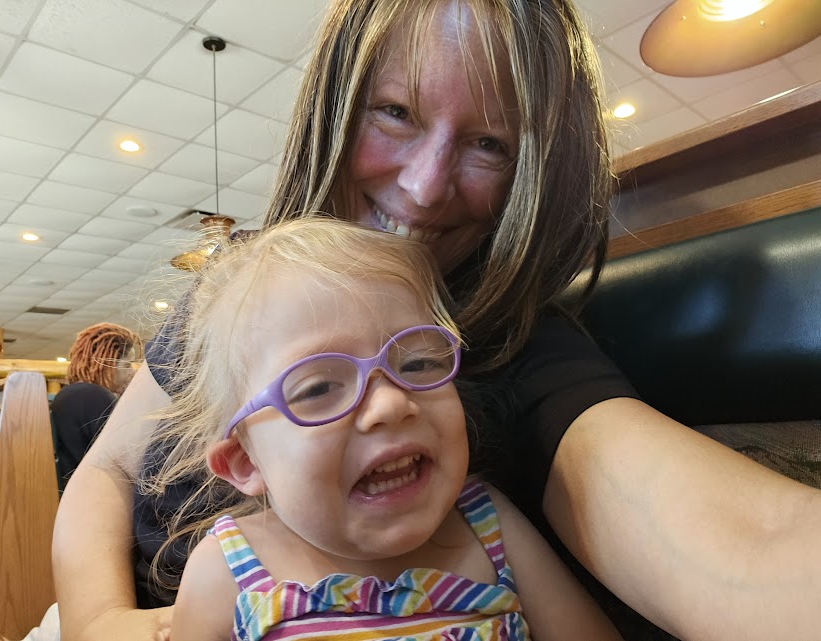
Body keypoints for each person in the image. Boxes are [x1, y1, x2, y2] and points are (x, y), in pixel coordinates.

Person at [53, 0, 821, 640]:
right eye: (395, 112)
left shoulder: (528, 354)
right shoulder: (235, 297)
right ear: (332, 108)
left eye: (489, 143)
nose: (423, 188)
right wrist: (98, 621)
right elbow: (109, 471)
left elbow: (749, 545)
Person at [151, 218, 622, 641]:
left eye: (417, 363)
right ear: (245, 461)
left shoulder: (488, 525)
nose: (393, 403)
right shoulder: (225, 568)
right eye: (318, 388)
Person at [50, 323, 142, 491]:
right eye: (126, 365)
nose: (132, 372)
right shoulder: (93, 396)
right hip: (94, 492)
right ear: (106, 364)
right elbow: (124, 458)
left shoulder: (72, 394)